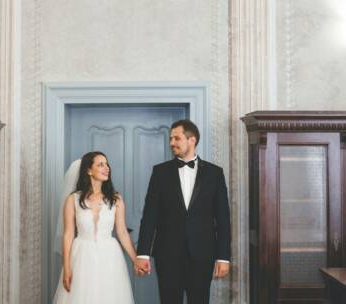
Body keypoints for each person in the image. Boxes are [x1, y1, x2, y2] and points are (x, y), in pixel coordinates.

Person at [134, 119, 231, 304]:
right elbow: (149, 216)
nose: (172, 143)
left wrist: (223, 257)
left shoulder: (214, 174)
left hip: (203, 254)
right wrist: (142, 253)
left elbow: (223, 219)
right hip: (167, 254)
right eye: (171, 138)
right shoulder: (160, 172)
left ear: (192, 139)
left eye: (176, 138)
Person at [53, 151, 136, 304]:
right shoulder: (73, 200)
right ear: (89, 170)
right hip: (81, 256)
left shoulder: (116, 199)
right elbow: (68, 235)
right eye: (100, 164)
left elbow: (122, 232)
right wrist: (66, 268)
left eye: (107, 164)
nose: (106, 168)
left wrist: (135, 259)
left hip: (110, 257)